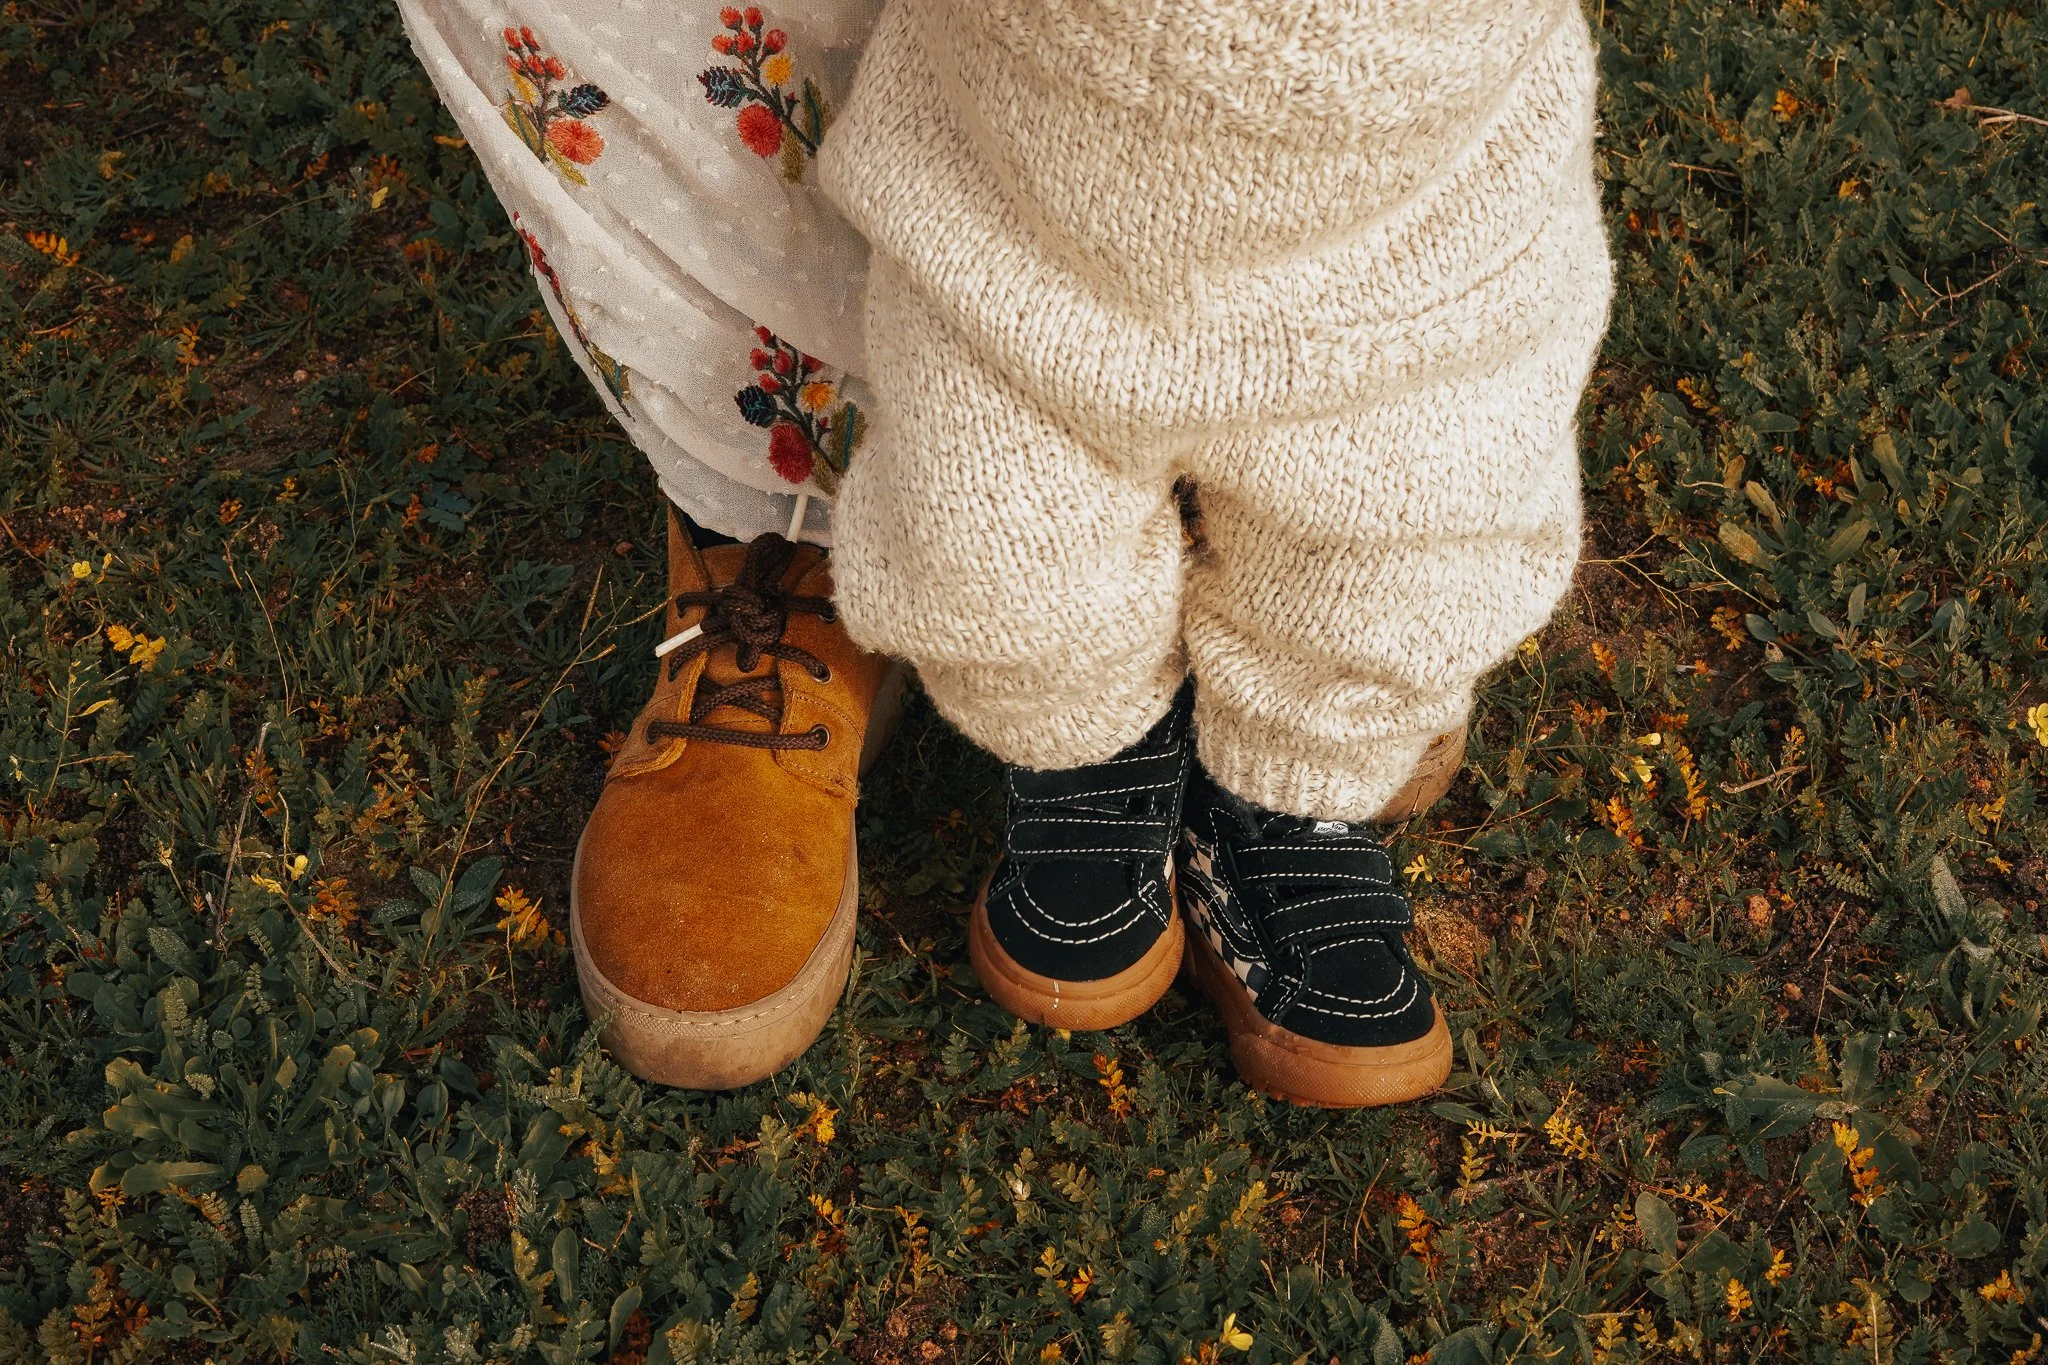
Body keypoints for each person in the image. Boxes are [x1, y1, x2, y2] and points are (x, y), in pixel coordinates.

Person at [398, 0, 1611, 1106]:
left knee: (1398, 511)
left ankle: (1296, 778)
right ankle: (1064, 725)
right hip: (1024, 190)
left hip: (1411, 223)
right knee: (999, 515)